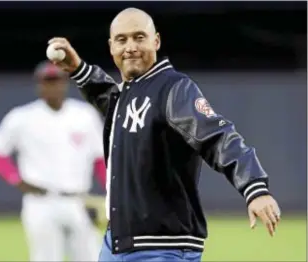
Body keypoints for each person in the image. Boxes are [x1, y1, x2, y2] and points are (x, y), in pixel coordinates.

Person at [47, 7, 281, 262]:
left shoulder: (173, 89)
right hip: (116, 245)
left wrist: (254, 187)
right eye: (122, 39)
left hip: (164, 248)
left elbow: (218, 136)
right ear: (111, 46)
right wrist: (79, 69)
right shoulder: (129, 93)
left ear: (156, 41)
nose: (130, 47)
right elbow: (111, 100)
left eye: (139, 37)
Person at [0, 61, 105, 262]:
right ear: (38, 85)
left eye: (56, 80)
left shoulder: (84, 115)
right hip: (41, 202)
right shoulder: (22, 117)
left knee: (92, 257)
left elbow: (100, 158)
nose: (52, 86)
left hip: (79, 201)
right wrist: (15, 178)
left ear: (65, 82)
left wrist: (111, 192)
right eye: (47, 81)